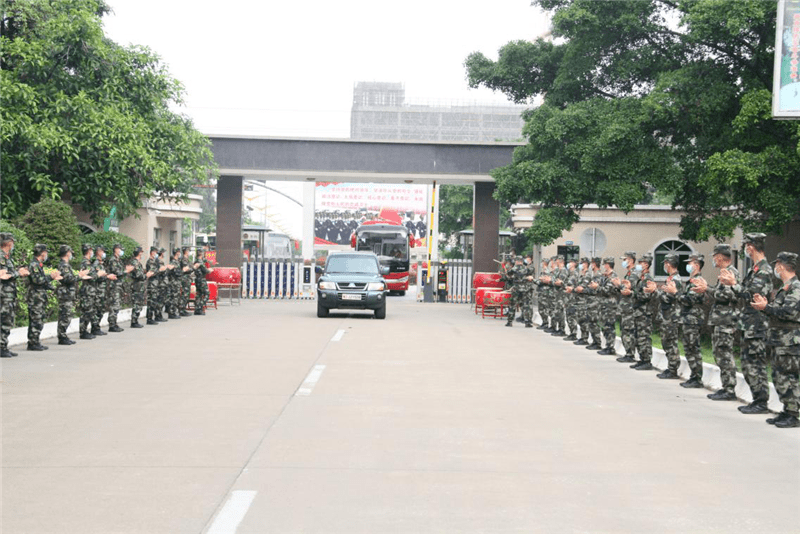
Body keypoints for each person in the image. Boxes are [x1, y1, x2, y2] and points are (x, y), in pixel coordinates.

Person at [751, 252, 800, 428]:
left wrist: (767, 307)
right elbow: (778, 312)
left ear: (782, 266)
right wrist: (765, 306)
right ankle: (787, 410)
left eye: (777, 265)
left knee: (789, 377)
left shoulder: (795, 287)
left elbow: (790, 313)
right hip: (780, 340)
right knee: (779, 377)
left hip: (789, 342)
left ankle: (793, 414)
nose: (776, 268)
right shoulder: (785, 287)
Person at [727, 233, 773, 414]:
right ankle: (757, 399)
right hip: (748, 324)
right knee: (747, 363)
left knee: (756, 363)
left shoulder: (764, 271)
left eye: (746, 245)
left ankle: (761, 402)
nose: (745, 249)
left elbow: (752, 296)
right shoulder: (754, 270)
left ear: (751, 247)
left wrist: (733, 284)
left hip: (757, 325)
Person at [693, 244, 740, 401]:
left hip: (726, 321)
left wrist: (708, 289)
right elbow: (720, 293)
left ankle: (730, 389)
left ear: (720, 257)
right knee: (719, 354)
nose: (713, 260)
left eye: (714, 256)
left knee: (725, 354)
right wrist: (707, 289)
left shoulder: (731, 273)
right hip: (720, 320)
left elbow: (726, 296)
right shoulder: (724, 273)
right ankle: (726, 386)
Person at [677, 253, 707, 388]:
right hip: (688, 319)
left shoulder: (698, 281)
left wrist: (676, 293)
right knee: (688, 348)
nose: (688, 265)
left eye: (690, 263)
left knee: (693, 348)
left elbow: (690, 300)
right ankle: (693, 375)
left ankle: (697, 377)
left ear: (697, 265)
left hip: (693, 319)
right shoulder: (691, 280)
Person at [1, 233, 31, 357]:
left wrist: (17, 272)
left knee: (7, 320)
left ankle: (3, 346)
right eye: (12, 243)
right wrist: (18, 273)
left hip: (8, 294)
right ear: (9, 243)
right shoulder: (1, 258)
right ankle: (1, 347)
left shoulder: (7, 258)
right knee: (4, 320)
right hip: (3, 295)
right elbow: (3, 275)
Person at [26, 244, 61, 351]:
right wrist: (51, 277)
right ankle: (33, 342)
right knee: (36, 319)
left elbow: (42, 281)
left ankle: (35, 341)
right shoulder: (34, 265)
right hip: (35, 297)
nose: (47, 254)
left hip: (39, 296)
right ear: (42, 253)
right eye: (46, 252)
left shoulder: (38, 265)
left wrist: (50, 284)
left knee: (39, 318)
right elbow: (37, 280)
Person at [656, 254, 683, 379]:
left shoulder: (675, 280)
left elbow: (668, 297)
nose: (664, 266)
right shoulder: (671, 278)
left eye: (666, 263)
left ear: (669, 264)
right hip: (667, 315)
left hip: (672, 316)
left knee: (671, 342)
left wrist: (657, 292)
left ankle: (673, 369)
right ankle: (670, 367)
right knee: (666, 341)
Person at [630, 253, 657, 370]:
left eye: (640, 263)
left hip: (644, 313)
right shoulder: (640, 279)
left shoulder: (648, 279)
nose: (638, 265)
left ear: (646, 265)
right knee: (638, 337)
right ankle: (642, 359)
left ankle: (647, 360)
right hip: (638, 312)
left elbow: (646, 296)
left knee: (643, 337)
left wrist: (633, 293)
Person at [614, 251, 639, 363]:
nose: (623, 262)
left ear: (631, 261)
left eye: (625, 260)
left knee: (628, 331)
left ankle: (630, 353)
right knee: (624, 330)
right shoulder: (628, 274)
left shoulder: (633, 274)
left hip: (630, 308)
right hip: (625, 308)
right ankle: (628, 352)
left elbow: (628, 290)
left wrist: (619, 285)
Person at [56, 245, 83, 345]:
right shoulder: (64, 266)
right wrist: (79, 276)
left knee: (67, 315)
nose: (71, 254)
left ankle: (63, 335)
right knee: (65, 315)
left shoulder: (66, 265)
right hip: (65, 294)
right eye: (70, 252)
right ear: (67, 253)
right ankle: (62, 336)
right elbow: (67, 279)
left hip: (68, 294)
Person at [105, 243, 132, 333]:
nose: (121, 251)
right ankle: (112, 324)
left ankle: (114, 323)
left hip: (119, 285)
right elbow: (117, 272)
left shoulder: (119, 260)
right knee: (114, 305)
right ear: (116, 249)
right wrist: (126, 271)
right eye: (120, 249)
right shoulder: (113, 260)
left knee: (117, 305)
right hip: (114, 285)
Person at [503, 256, 534, 327]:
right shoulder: (526, 268)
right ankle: (527, 322)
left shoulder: (514, 268)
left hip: (516, 289)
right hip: (525, 289)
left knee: (512, 305)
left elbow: (508, 274)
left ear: (516, 261)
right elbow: (530, 274)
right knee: (526, 305)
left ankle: (510, 322)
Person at [596, 257, 619, 355]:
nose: (603, 266)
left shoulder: (613, 277)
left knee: (609, 326)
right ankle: (607, 346)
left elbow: (607, 291)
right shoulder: (605, 276)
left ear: (608, 265)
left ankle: (610, 347)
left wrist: (597, 287)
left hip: (610, 305)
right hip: (604, 305)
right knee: (605, 326)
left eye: (604, 264)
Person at [78, 244, 101, 340]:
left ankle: (85, 330)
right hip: (87, 291)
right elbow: (90, 277)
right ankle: (83, 332)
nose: (92, 252)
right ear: (88, 251)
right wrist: (98, 275)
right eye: (91, 250)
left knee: (89, 311)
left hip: (90, 291)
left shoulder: (88, 262)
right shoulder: (85, 263)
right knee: (86, 312)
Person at [583, 257, 603, 350]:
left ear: (594, 264)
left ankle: (597, 342)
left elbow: (595, 290)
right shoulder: (594, 275)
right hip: (591, 302)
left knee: (594, 323)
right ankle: (594, 341)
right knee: (591, 322)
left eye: (592, 263)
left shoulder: (598, 275)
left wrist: (585, 289)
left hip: (595, 302)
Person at [572, 258, 592, 345]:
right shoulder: (582, 275)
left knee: (583, 320)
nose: (580, 265)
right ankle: (583, 337)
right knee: (580, 319)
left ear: (586, 264)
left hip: (583, 301)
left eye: (582, 263)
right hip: (578, 300)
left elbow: (582, 288)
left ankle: (585, 338)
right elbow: (578, 287)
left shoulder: (587, 275)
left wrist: (574, 289)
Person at [129, 247, 149, 328]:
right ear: (138, 253)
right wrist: (146, 275)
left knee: (139, 303)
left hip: (140, 286)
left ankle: (135, 320)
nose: (142, 254)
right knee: (137, 303)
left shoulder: (137, 262)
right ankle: (134, 321)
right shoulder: (135, 262)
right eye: (141, 252)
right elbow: (138, 275)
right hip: (137, 286)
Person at [91, 245, 109, 336]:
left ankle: (97, 327)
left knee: (101, 309)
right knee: (97, 309)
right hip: (97, 290)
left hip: (102, 290)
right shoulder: (95, 264)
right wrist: (105, 276)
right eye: (102, 251)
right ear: (98, 252)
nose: (104, 253)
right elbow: (95, 277)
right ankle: (95, 328)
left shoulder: (101, 264)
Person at [563, 258, 580, 340]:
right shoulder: (569, 274)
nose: (569, 264)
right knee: (568, 316)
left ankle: (574, 333)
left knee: (572, 316)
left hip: (572, 298)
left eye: (570, 262)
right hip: (568, 298)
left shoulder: (575, 274)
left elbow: (571, 285)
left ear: (574, 264)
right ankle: (571, 332)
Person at [193, 247, 212, 315]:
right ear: (201, 253)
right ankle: (200, 306)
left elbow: (205, 261)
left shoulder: (196, 261)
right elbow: (205, 270)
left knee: (199, 294)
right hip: (201, 279)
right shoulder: (200, 262)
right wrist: (209, 270)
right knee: (207, 293)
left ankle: (197, 309)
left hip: (197, 279)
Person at [145, 247, 161, 325]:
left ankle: (153, 317)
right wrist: (159, 270)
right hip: (152, 284)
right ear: (152, 253)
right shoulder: (150, 262)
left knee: (154, 301)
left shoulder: (155, 261)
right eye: (155, 252)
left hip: (155, 284)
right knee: (151, 301)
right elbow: (152, 272)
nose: (156, 254)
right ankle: (149, 318)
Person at [167, 248, 182, 319]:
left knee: (176, 298)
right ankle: (171, 313)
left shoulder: (177, 261)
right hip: (174, 282)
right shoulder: (173, 262)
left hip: (177, 282)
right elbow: (176, 272)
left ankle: (173, 312)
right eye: (178, 252)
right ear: (176, 253)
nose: (179, 253)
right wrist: (182, 271)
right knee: (173, 298)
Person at [180, 247, 193, 317]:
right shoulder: (183, 259)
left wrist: (191, 268)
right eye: (188, 251)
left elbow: (190, 267)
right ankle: (181, 309)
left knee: (187, 294)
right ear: (185, 251)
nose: (189, 252)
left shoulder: (187, 259)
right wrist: (192, 268)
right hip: (185, 279)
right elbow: (186, 269)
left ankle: (183, 308)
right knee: (185, 294)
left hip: (188, 278)